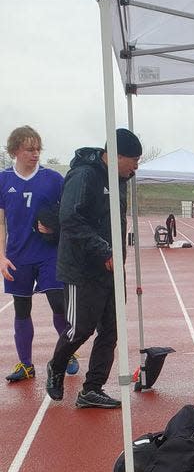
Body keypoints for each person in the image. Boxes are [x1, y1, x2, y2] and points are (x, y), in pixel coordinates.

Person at [45, 128, 142, 408]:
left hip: (111, 268)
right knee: (81, 329)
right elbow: (70, 218)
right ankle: (57, 364)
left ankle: (92, 389)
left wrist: (116, 256)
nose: (136, 166)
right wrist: (103, 250)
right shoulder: (84, 175)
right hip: (82, 269)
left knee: (112, 330)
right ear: (115, 155)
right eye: (133, 160)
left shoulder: (121, 178)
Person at [0, 125, 79, 384]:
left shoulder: (53, 179)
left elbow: (68, 212)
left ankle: (66, 352)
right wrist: (1, 256)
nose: (35, 154)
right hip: (17, 255)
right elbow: (0, 223)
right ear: (15, 151)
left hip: (48, 253)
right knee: (22, 310)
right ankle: (26, 365)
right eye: (29, 149)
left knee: (58, 302)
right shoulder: (3, 180)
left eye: (38, 149)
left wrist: (54, 225)